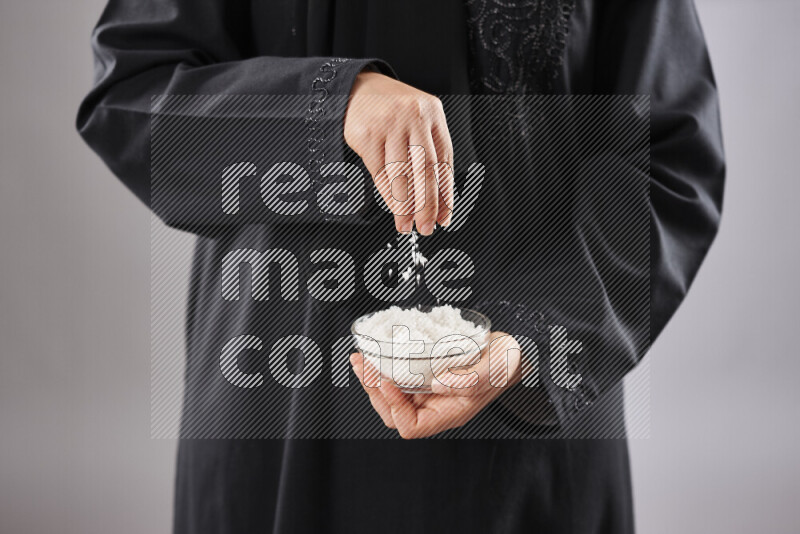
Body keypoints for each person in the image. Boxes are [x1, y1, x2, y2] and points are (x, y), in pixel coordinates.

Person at [77, 0, 724, 532]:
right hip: (282, 409)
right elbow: (133, 96)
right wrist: (332, 106)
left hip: (526, 434)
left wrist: (531, 341)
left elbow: (665, 156)